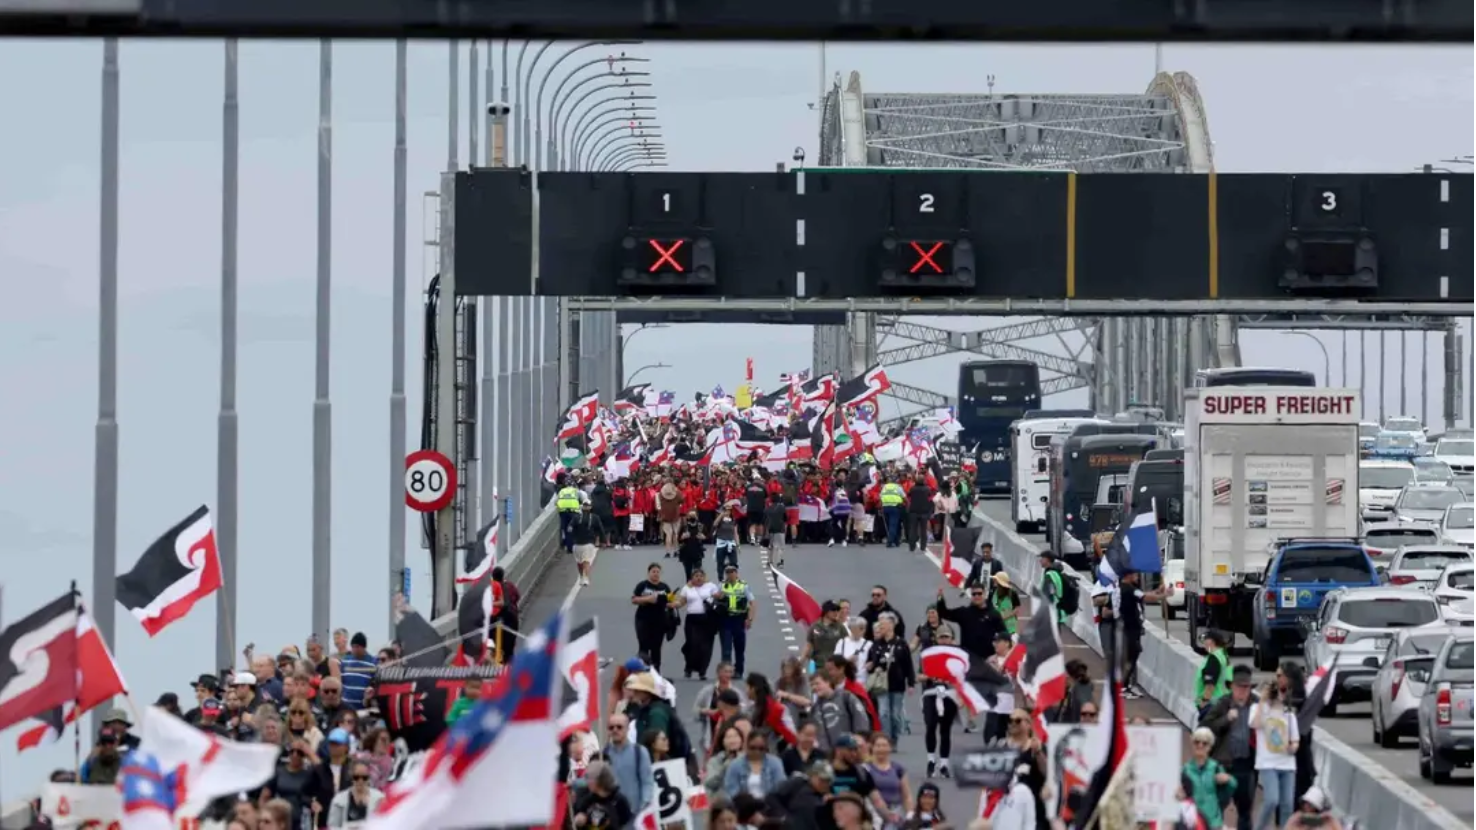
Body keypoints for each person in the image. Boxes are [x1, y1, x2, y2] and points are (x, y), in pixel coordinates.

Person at [1199, 665, 1258, 830]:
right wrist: (1226, 719)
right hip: (1224, 765)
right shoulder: (1223, 703)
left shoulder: (1256, 704)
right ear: (1232, 686)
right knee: (1217, 807)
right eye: (1239, 687)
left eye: (1246, 687)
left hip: (1247, 765)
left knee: (1245, 811)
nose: (1242, 692)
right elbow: (1205, 727)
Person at [1102, 568, 1172, 699]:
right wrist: (1164, 595)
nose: (1138, 577)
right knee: (1130, 657)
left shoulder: (1118, 590)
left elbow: (1105, 611)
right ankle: (1123, 686)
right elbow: (1146, 597)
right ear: (1128, 576)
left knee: (1129, 656)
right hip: (1129, 629)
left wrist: (1118, 612)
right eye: (1135, 575)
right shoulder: (1129, 589)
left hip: (1121, 628)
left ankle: (1125, 685)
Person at [1249, 680, 1298, 830]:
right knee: (1271, 800)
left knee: (1288, 804)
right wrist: (1263, 699)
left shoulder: (1289, 714)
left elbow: (1295, 741)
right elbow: (1254, 724)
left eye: (1283, 691)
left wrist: (1292, 748)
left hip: (1287, 764)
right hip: (1267, 763)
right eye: (1277, 691)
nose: (1279, 695)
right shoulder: (1258, 708)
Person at [866, 614, 916, 746]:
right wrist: (871, 667)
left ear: (891, 626)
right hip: (881, 684)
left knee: (895, 714)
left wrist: (911, 683)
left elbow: (908, 664)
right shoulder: (876, 644)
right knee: (883, 713)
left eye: (883, 625)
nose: (880, 627)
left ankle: (894, 737)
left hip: (897, 684)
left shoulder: (901, 643)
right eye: (880, 625)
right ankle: (886, 740)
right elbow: (870, 662)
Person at [919, 628, 962, 779]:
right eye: (941, 637)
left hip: (949, 695)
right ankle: (931, 760)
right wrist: (930, 676)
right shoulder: (928, 655)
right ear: (936, 639)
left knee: (945, 730)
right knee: (931, 726)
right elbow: (919, 676)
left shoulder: (956, 655)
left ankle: (944, 764)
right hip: (931, 694)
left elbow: (963, 676)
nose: (944, 640)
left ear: (951, 639)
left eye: (947, 637)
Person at [599, 713, 653, 813]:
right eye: (611, 728)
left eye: (619, 727)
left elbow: (647, 782)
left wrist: (644, 807)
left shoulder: (640, 752)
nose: (615, 730)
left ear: (627, 729)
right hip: (611, 816)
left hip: (635, 814)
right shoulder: (602, 754)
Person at [1182, 726, 1233, 830]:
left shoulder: (1216, 768)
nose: (1200, 745)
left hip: (1213, 822)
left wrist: (1228, 781)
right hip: (1193, 822)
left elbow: (1230, 789)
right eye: (1197, 742)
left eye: (1204, 743)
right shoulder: (1184, 770)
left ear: (1210, 747)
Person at [675, 568, 720, 679]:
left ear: (705, 577)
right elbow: (681, 602)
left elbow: (719, 597)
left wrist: (719, 595)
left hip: (707, 619)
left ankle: (702, 671)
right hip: (692, 619)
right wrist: (673, 604)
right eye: (696, 576)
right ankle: (689, 668)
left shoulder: (711, 586)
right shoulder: (687, 588)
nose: (699, 578)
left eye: (701, 576)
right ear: (692, 578)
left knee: (706, 647)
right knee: (692, 644)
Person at [765, 759, 833, 830]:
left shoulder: (827, 796)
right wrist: (785, 817)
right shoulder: (797, 783)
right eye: (822, 779)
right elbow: (771, 797)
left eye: (828, 781)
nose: (825, 784)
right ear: (813, 775)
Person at [863, 732, 915, 826]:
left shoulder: (898, 769)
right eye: (878, 746)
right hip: (873, 812)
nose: (881, 749)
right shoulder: (866, 769)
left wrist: (910, 815)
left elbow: (906, 796)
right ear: (872, 747)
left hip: (895, 811)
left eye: (884, 746)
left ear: (890, 748)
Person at [631, 562, 673, 673]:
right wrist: (648, 599)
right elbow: (634, 599)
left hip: (659, 620)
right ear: (648, 573)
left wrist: (670, 603)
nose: (655, 574)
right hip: (643, 619)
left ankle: (656, 671)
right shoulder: (643, 585)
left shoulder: (664, 587)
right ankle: (641, 669)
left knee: (656, 647)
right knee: (644, 645)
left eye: (658, 572)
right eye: (653, 572)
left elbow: (670, 601)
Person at [716, 564, 756, 675]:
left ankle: (738, 670)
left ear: (736, 573)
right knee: (726, 648)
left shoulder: (743, 586)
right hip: (725, 619)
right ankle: (726, 671)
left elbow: (752, 603)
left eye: (732, 572)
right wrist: (719, 596)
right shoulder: (722, 585)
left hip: (739, 619)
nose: (730, 574)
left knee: (739, 647)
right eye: (727, 572)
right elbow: (715, 598)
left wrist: (750, 619)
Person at [573, 760, 636, 829]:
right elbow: (576, 819)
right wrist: (578, 820)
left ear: (601, 780)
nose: (587, 781)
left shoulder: (619, 801)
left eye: (590, 778)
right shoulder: (586, 798)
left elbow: (629, 825)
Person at [724, 730, 787, 799]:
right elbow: (732, 791)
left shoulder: (775, 763)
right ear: (746, 746)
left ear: (766, 748)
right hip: (742, 805)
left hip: (769, 805)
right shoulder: (735, 764)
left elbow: (780, 788)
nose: (757, 752)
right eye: (752, 748)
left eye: (761, 749)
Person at [326, 760, 382, 828]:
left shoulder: (379, 798)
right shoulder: (338, 799)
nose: (360, 781)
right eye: (356, 777)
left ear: (369, 777)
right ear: (351, 777)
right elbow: (332, 826)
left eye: (364, 778)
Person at [1196, 629, 1233, 715]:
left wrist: (1204, 702)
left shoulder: (1213, 658)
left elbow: (1210, 684)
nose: (1204, 644)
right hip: (1224, 702)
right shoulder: (1224, 656)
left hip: (1212, 705)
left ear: (1211, 642)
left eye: (1205, 640)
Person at [803, 601, 848, 671]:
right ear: (826, 611)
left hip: (835, 666)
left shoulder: (840, 627)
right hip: (818, 665)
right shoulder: (815, 626)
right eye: (833, 610)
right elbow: (809, 645)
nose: (836, 612)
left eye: (837, 610)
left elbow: (848, 643)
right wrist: (801, 661)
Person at [570, 500, 604, 588]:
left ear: (590, 507)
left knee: (586, 561)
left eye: (587, 505)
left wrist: (601, 540)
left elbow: (600, 529)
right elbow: (570, 527)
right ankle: (581, 576)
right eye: (585, 505)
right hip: (577, 543)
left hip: (589, 542)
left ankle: (585, 578)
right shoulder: (576, 517)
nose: (586, 507)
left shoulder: (594, 517)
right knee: (579, 563)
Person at [338, 633, 377, 710]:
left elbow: (374, 683)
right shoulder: (345, 661)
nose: (354, 649)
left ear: (364, 647)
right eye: (353, 646)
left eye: (357, 647)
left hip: (364, 708)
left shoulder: (373, 662)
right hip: (346, 707)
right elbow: (340, 682)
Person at [905, 473, 934, 552]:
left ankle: (912, 547)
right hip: (924, 512)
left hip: (913, 511)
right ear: (924, 480)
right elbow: (930, 498)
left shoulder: (913, 488)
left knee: (913, 530)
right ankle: (923, 547)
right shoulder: (927, 489)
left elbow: (908, 496)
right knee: (923, 530)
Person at [678, 510, 707, 582]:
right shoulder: (684, 527)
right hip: (686, 553)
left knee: (698, 573)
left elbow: (707, 536)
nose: (692, 517)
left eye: (694, 515)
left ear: (696, 517)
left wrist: (704, 537)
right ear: (688, 517)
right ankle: (689, 587)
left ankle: (698, 587)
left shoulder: (701, 526)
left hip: (697, 553)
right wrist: (682, 537)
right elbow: (678, 539)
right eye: (690, 516)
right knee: (688, 573)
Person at [556, 475, 582, 552]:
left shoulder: (561, 491)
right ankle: (575, 546)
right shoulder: (575, 491)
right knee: (574, 528)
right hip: (573, 512)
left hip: (563, 512)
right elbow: (583, 498)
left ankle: (569, 547)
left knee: (566, 530)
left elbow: (556, 502)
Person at [879, 478, 906, 548]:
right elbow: (904, 497)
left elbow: (880, 497)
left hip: (886, 507)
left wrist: (880, 507)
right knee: (893, 525)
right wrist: (907, 504)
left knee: (889, 525)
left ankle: (896, 541)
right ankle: (890, 542)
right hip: (895, 507)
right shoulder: (898, 487)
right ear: (895, 481)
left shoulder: (884, 487)